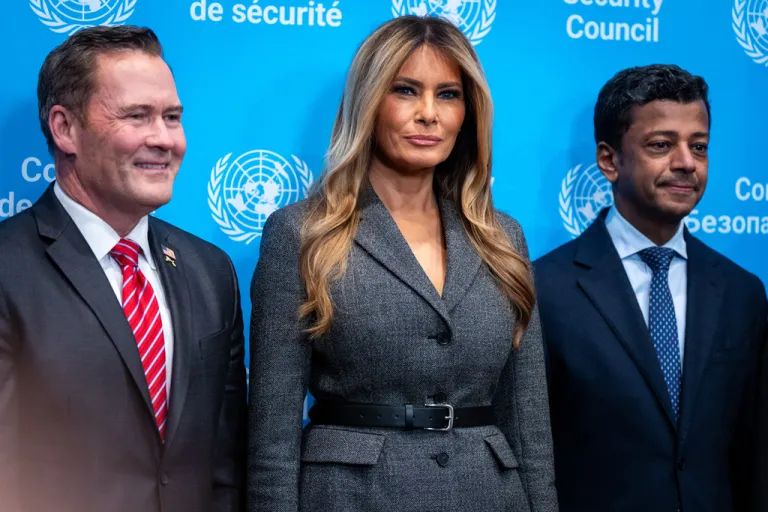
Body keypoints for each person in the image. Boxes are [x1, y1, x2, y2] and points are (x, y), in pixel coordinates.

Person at [247, 15, 557, 512]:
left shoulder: (503, 238)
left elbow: (528, 423)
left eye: (448, 95)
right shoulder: (301, 233)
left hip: (488, 496)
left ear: (469, 113)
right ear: (368, 102)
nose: (429, 114)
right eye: (406, 90)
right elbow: (272, 438)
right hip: (351, 498)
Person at [0, 26, 247, 512]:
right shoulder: (9, 267)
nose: (164, 139)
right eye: (137, 116)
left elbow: (225, 463)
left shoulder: (210, 271)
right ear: (64, 128)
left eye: (172, 117)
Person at [534, 64, 767, 512]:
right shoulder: (544, 289)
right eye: (661, 145)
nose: (686, 163)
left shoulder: (742, 292)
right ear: (609, 160)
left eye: (698, 146)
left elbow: (754, 455)